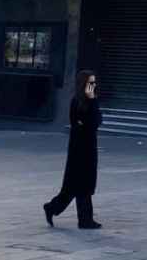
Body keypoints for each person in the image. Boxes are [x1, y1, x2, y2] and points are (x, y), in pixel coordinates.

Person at [43, 70, 103, 229]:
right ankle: (84, 220)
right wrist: (88, 120)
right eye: (91, 82)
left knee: (76, 186)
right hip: (81, 147)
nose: (94, 85)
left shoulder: (85, 101)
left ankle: (55, 209)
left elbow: (89, 122)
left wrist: (87, 122)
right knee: (79, 185)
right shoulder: (81, 101)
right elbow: (90, 122)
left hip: (84, 145)